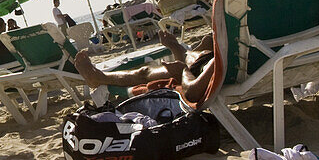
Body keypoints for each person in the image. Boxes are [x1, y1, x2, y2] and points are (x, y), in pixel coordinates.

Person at [73, 30, 217, 105]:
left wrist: (182, 71)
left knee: (144, 72)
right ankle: (180, 49)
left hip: (200, 68)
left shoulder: (219, 60)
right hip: (207, 61)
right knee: (199, 50)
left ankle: (98, 77)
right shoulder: (229, 52)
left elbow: (193, 93)